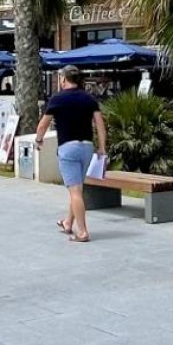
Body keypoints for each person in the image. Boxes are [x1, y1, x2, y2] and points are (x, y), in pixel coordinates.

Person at [35, 65, 107, 243]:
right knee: (77, 189)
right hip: (87, 148)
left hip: (68, 148)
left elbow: (43, 124)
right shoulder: (89, 98)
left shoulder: (57, 99)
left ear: (63, 79)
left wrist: (38, 140)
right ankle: (68, 223)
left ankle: (82, 232)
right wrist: (102, 147)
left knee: (75, 191)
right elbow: (100, 124)